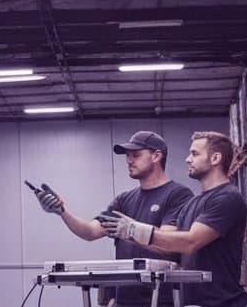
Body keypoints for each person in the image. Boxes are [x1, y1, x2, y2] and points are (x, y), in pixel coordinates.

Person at [33, 131, 194, 307]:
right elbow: (91, 232)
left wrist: (132, 232)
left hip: (161, 298)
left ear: (156, 156)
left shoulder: (178, 194)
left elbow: (169, 245)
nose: (129, 161)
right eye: (127, 156)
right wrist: (62, 211)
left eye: (136, 155)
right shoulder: (124, 199)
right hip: (124, 299)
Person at [99, 131, 247, 307]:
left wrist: (136, 229)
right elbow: (170, 250)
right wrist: (129, 236)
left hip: (221, 303)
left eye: (194, 154)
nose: (187, 159)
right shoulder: (192, 204)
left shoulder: (227, 198)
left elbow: (191, 242)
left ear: (215, 158)